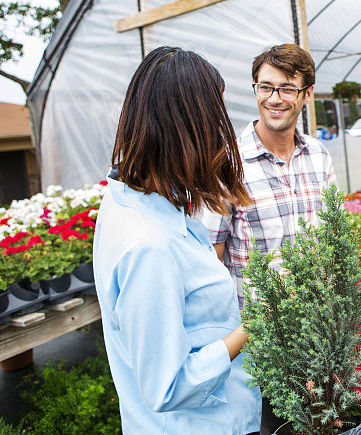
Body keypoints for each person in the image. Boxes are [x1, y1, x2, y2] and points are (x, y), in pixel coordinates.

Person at [92, 46, 261, 434]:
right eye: (214, 120)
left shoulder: (129, 197)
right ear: (185, 127)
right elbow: (168, 386)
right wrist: (256, 324)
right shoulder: (148, 244)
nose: (221, 133)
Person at [201, 43, 336, 309]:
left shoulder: (319, 155)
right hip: (256, 337)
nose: (274, 99)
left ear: (307, 94)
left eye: (287, 88)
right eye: (265, 87)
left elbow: (333, 233)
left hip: (318, 326)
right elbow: (209, 258)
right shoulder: (227, 165)